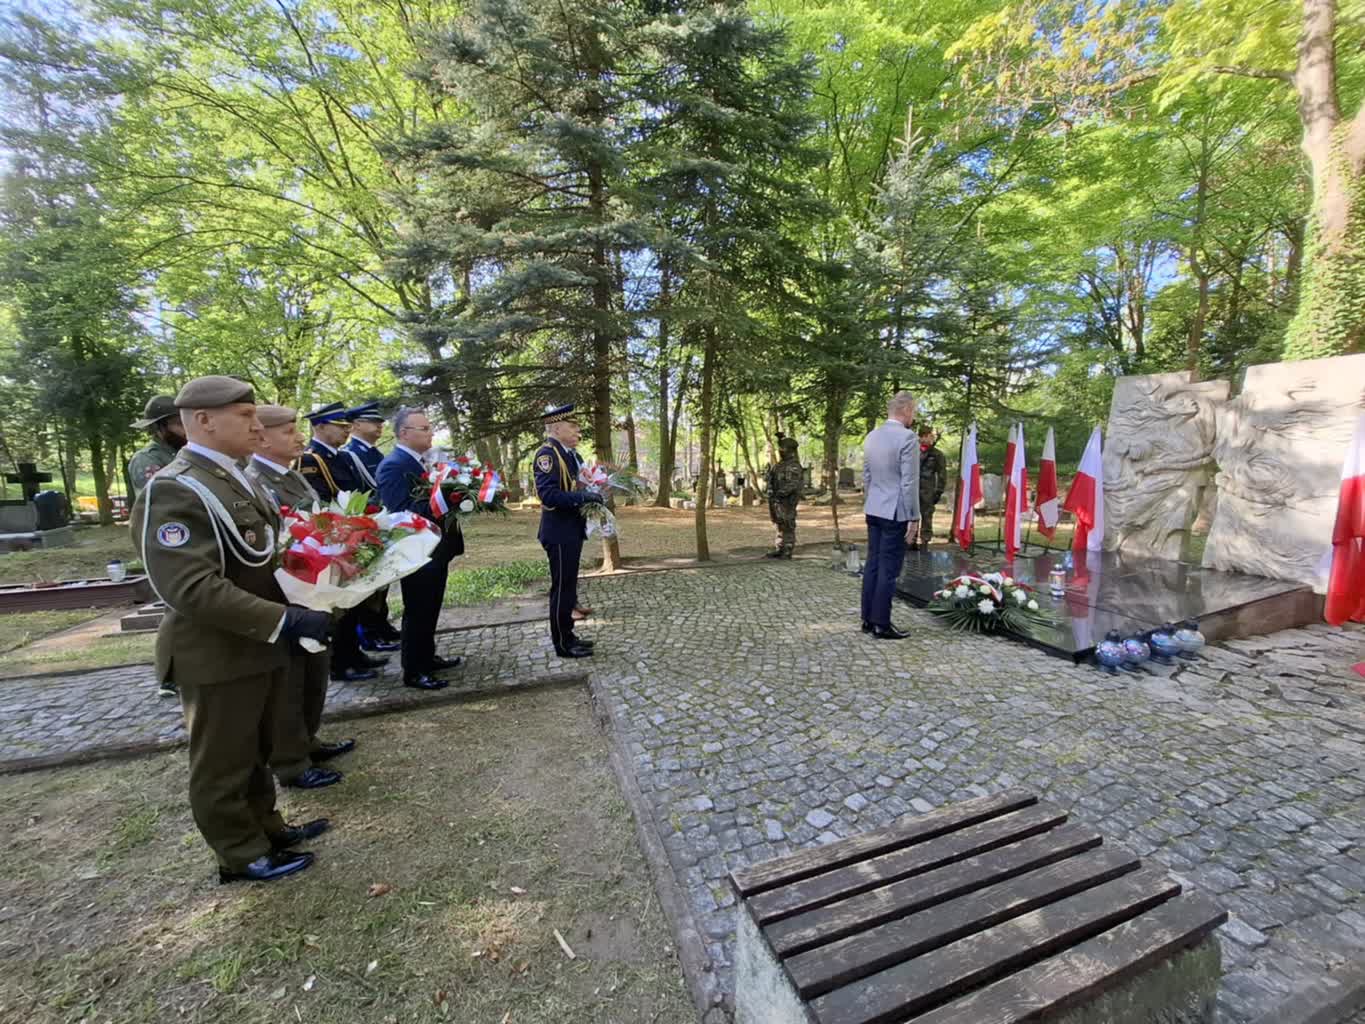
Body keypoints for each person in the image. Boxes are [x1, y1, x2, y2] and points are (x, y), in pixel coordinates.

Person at [130, 376, 333, 884]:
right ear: (202, 420)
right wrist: (284, 620)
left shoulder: (235, 475)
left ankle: (266, 827)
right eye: (244, 416)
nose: (255, 424)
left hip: (257, 644)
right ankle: (239, 853)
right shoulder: (176, 487)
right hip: (217, 651)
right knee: (223, 763)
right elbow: (190, 587)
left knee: (256, 751)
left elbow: (267, 553)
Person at [246, 404, 355, 790]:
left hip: (313, 590)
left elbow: (319, 522)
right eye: (288, 430)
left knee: (313, 674)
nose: (299, 437)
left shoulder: (293, 477)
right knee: (289, 683)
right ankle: (291, 761)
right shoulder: (255, 479)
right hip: (286, 594)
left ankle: (308, 740)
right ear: (262, 436)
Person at [376, 406, 464, 690]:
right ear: (404, 433)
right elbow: (401, 512)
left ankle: (427, 656)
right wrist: (447, 498)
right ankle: (414, 670)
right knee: (417, 610)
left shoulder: (424, 461)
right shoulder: (394, 465)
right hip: (417, 550)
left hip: (436, 548)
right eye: (424, 428)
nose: (431, 433)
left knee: (431, 607)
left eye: (429, 428)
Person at [297, 403, 386, 683]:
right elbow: (320, 500)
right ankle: (340, 662)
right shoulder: (312, 460)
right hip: (334, 538)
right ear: (320, 427)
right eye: (340, 427)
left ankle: (355, 653)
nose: (345, 432)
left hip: (354, 535)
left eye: (348, 427)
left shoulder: (343, 458)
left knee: (354, 601)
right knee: (339, 605)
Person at [532, 404, 604, 658]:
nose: (578, 433)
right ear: (557, 428)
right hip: (559, 532)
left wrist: (592, 491)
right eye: (573, 427)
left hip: (570, 530)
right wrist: (582, 497)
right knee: (562, 590)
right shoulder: (548, 455)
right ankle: (562, 644)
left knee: (569, 590)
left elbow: (576, 483)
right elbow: (548, 496)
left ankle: (569, 635)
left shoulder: (570, 454)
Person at [860, 391, 920, 639]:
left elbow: (866, 476)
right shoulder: (908, 438)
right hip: (895, 510)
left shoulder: (872, 436)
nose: (914, 416)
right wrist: (914, 517)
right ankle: (881, 624)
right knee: (889, 569)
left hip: (874, 507)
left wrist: (870, 502)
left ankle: (867, 619)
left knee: (873, 564)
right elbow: (909, 482)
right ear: (905, 410)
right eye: (913, 411)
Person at [343, 402, 402, 653]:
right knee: (367, 582)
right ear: (355, 425)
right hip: (363, 524)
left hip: (379, 522)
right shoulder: (351, 454)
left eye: (380, 422)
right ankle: (367, 631)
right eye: (373, 422)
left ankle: (379, 624)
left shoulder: (374, 454)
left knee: (382, 579)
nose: (380, 426)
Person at [128, 395, 187, 495]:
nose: (186, 429)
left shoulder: (185, 452)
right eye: (179, 424)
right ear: (158, 428)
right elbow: (160, 498)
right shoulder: (146, 459)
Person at [765, 436, 804, 559]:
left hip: (786, 501)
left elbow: (793, 484)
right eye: (780, 447)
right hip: (776, 501)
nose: (781, 450)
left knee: (787, 524)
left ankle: (787, 549)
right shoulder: (779, 465)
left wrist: (780, 494)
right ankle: (780, 547)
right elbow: (772, 479)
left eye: (783, 448)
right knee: (779, 524)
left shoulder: (794, 466)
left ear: (790, 450)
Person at [911, 425, 946, 551]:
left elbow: (942, 475)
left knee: (927, 517)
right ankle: (911, 541)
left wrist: (938, 491)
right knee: (912, 516)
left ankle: (925, 542)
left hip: (928, 490)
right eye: (930, 436)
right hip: (913, 490)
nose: (931, 438)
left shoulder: (937, 454)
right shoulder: (912, 451)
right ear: (923, 436)